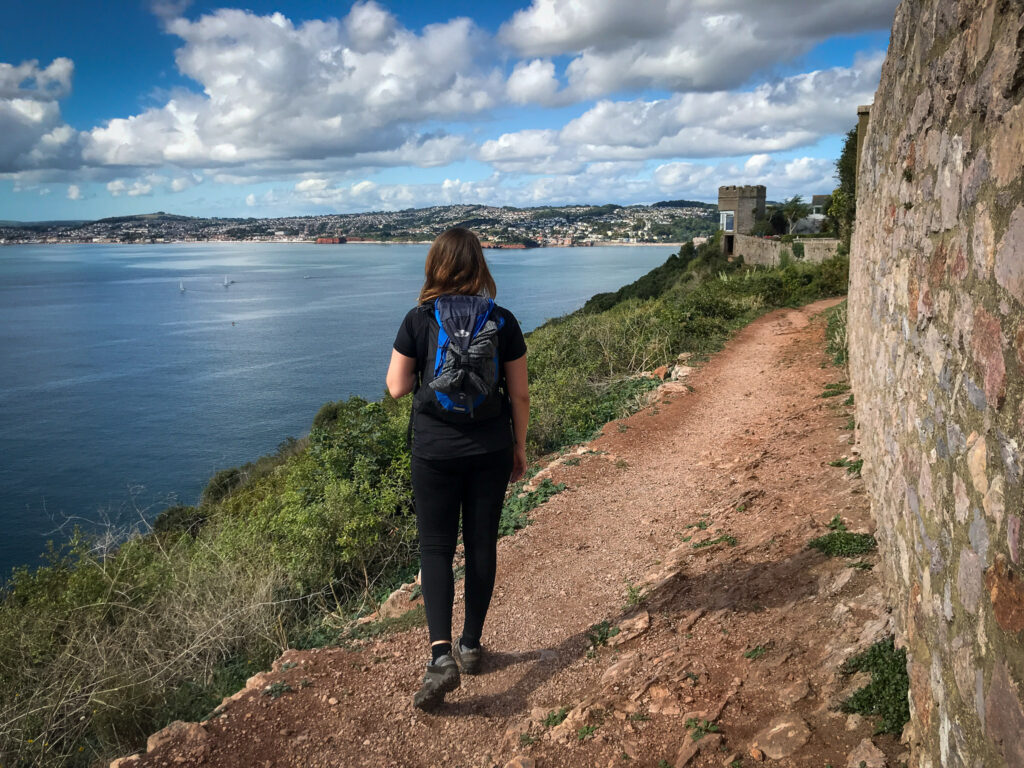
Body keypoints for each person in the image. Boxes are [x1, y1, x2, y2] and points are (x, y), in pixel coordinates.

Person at [386, 227, 529, 711]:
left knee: (436, 547)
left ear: (435, 266)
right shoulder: (503, 321)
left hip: (434, 449)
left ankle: (440, 655)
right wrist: (520, 447)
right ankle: (471, 645)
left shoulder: (418, 319)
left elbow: (396, 388)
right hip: (490, 447)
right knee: (482, 543)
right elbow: (521, 393)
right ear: (479, 266)